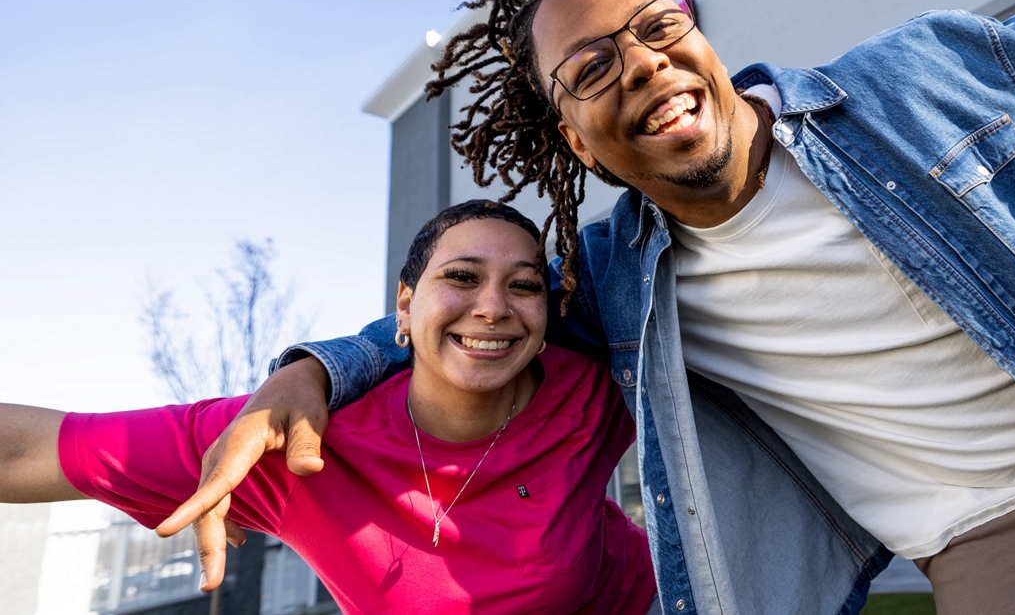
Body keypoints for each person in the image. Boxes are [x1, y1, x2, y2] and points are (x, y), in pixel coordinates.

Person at [167, 0, 1015, 615]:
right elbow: (470, 313)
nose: (647, 67)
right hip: (990, 550)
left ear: (699, 34)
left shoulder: (913, 84)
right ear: (574, 136)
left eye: (657, 30)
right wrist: (307, 373)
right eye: (595, 71)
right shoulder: (617, 278)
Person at [0, 200, 657, 615]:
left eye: (523, 286)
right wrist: (305, 372)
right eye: (460, 277)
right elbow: (30, 448)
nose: (493, 307)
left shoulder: (592, 389)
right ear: (404, 305)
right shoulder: (288, 439)